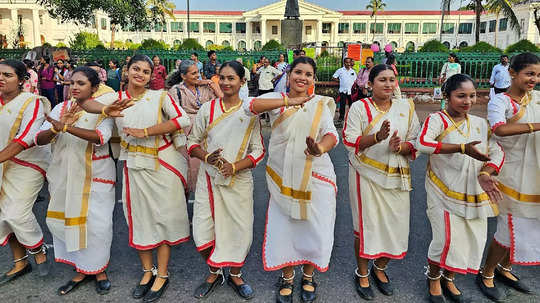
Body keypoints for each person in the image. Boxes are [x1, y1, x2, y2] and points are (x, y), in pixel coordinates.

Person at [78, 55, 191, 302]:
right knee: (139, 219)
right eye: (136, 69)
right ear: (126, 71)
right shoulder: (115, 99)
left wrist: (146, 131)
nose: (140, 74)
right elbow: (85, 103)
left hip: (162, 164)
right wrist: (108, 109)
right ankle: (146, 272)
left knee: (164, 219)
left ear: (152, 76)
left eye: (146, 71)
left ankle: (162, 274)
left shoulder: (159, 96)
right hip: (133, 165)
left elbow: (183, 119)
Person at [245, 56, 339, 303]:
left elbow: (331, 134)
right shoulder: (277, 102)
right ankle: (287, 276)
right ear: (289, 74)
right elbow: (250, 106)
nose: (302, 77)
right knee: (284, 226)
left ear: (314, 79)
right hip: (283, 175)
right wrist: (291, 101)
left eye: (308, 74)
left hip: (316, 173)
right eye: (298, 72)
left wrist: (319, 148)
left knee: (315, 227)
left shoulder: (320, 104)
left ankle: (308, 275)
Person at [417, 74, 505, 303]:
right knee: (445, 239)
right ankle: (434, 277)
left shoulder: (479, 123)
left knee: (467, 238)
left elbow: (497, 150)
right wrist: (461, 148)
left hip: (474, 192)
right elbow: (423, 143)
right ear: (447, 96)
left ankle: (449, 277)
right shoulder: (438, 119)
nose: (467, 101)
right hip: (441, 190)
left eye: (472, 95)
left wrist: (487, 172)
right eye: (461, 96)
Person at [35, 66, 117, 295]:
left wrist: (67, 127)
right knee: (70, 222)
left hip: (96, 176)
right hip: (65, 176)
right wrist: (55, 128)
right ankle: (81, 270)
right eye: (72, 83)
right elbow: (39, 139)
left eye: (81, 83)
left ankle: (99, 270)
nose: (75, 87)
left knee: (98, 226)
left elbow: (101, 137)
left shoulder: (103, 111)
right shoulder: (61, 108)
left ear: (94, 87)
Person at [188, 61, 265, 300]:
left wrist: (234, 167)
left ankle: (235, 273)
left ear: (242, 82)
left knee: (238, 230)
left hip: (238, 182)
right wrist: (207, 157)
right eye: (222, 78)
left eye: (231, 78)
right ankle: (213, 271)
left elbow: (258, 150)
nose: (225, 82)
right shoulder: (207, 109)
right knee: (202, 229)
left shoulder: (249, 112)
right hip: (209, 181)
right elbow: (192, 142)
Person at [343, 64, 420, 300]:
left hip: (397, 176)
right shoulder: (359, 107)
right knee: (367, 228)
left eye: (392, 80)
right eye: (382, 80)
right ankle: (363, 273)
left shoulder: (406, 107)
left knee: (396, 227)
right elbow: (349, 140)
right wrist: (377, 137)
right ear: (370, 84)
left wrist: (401, 146)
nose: (388, 84)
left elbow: (415, 139)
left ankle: (381, 268)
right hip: (366, 174)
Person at [477, 52, 540, 302]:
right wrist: (536, 126)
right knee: (506, 230)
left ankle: (505, 268)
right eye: (529, 73)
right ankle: (487, 272)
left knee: (526, 226)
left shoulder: (536, 99)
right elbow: (499, 129)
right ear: (512, 73)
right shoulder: (500, 102)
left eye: (536, 74)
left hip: (534, 171)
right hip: (510, 172)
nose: (534, 79)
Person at [0, 60, 52, 285]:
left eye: (7, 75)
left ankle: (38, 249)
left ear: (21, 80)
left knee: (16, 213)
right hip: (3, 164)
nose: (1, 78)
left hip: (28, 164)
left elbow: (28, 137)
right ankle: (20, 262)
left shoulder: (33, 102)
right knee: (2, 217)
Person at [168, 60, 222, 194]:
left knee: (206, 168)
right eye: (193, 73)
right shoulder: (176, 91)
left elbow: (222, 100)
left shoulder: (206, 88)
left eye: (198, 72)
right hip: (185, 133)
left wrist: (210, 83)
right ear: (183, 76)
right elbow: (170, 114)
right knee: (185, 169)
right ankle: (182, 204)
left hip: (206, 133)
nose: (197, 76)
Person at [333, 57, 357, 124]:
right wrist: (340, 81)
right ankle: (341, 118)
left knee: (351, 105)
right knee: (342, 105)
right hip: (343, 90)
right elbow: (334, 77)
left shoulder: (353, 71)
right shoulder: (340, 70)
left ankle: (352, 118)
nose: (348, 64)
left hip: (351, 91)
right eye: (347, 62)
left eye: (349, 62)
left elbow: (355, 80)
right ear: (344, 63)